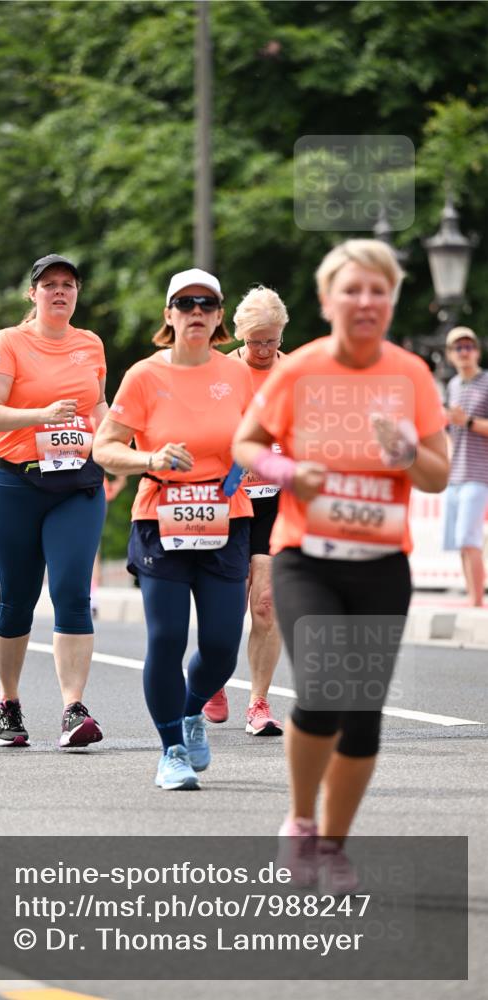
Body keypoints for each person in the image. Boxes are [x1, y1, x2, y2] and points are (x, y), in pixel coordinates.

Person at [232, 239, 449, 887]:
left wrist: (408, 448)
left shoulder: (410, 373)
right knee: (325, 688)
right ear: (327, 300)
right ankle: (299, 823)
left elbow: (436, 477)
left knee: (361, 714)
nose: (364, 301)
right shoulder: (298, 370)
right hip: (306, 558)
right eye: (351, 290)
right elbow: (247, 443)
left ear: (391, 301)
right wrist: (286, 470)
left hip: (380, 561)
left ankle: (332, 843)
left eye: (377, 290)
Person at [93, 268, 254, 790]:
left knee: (223, 645)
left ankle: (189, 713)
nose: (196, 313)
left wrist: (239, 471)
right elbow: (104, 447)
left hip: (226, 517)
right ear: (169, 315)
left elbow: (259, 439)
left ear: (220, 317)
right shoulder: (144, 375)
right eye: (185, 304)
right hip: (160, 516)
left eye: (207, 304)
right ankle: (171, 750)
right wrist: (150, 457)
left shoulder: (238, 374)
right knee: (165, 638)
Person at [0, 253, 108, 749]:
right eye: (48, 284)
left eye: (68, 284)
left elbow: (98, 407)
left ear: (76, 293)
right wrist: (41, 415)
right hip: (12, 485)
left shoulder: (90, 344)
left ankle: (74, 709)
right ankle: (8, 702)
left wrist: (117, 440)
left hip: (77, 485)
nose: (59, 292)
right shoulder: (9, 342)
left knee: (72, 591)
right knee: (17, 602)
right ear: (32, 294)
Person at [203, 286, 289, 736]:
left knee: (267, 604)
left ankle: (259, 702)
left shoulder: (294, 373)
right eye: (254, 341)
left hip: (276, 500)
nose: (262, 350)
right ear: (237, 335)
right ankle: (214, 680)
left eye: (271, 340)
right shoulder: (219, 372)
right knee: (227, 603)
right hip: (229, 495)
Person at [442, 326, 488, 607]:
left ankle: (476, 600)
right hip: (455, 474)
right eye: (458, 348)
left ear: (477, 351)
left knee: (468, 538)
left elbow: (468, 424)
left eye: (468, 346)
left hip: (478, 473)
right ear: (450, 355)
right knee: (461, 542)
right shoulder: (453, 386)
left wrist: (467, 422)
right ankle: (472, 594)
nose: (464, 352)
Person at [90, 473, 127, 618]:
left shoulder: (97, 475)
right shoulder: (99, 474)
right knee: (94, 557)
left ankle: (92, 598)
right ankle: (92, 599)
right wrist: (122, 479)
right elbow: (112, 491)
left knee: (92, 557)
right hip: (94, 505)